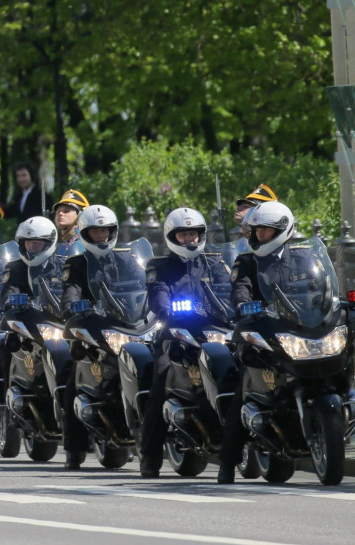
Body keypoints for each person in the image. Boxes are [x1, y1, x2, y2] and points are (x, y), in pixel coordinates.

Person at [217, 200, 307, 483]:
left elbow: (320, 286)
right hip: (261, 335)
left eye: (267, 231)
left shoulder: (303, 258)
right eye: (257, 231)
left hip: (300, 333)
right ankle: (228, 463)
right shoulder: (246, 262)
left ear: (281, 230)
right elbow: (240, 289)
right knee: (244, 390)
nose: (260, 236)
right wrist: (244, 304)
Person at [138, 209, 231, 478]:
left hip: (215, 333)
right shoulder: (159, 266)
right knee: (161, 380)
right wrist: (169, 311)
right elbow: (157, 297)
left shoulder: (215, 263)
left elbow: (229, 291)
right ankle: (150, 456)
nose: (189, 238)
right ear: (172, 236)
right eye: (183, 233)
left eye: (193, 233)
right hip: (175, 334)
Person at [59, 204, 133, 469]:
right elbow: (71, 290)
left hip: (126, 326)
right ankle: (74, 449)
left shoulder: (125, 259)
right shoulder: (77, 263)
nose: (101, 235)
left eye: (105, 230)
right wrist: (73, 305)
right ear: (86, 234)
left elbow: (140, 287)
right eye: (96, 231)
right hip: (91, 327)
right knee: (75, 379)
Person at [231, 184, 277, 253]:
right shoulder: (238, 242)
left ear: (260, 212)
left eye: (245, 206)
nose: (238, 207)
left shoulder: (267, 243)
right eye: (240, 205)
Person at [50, 189, 89, 258]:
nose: (60, 214)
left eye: (66, 211)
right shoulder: (61, 244)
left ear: (80, 215)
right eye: (58, 211)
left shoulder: (84, 243)